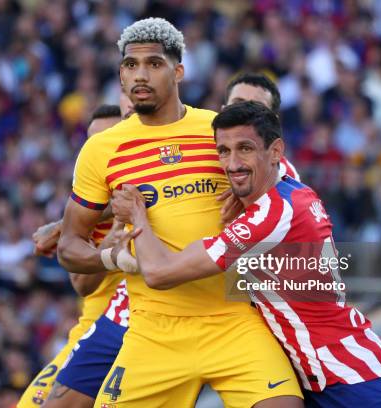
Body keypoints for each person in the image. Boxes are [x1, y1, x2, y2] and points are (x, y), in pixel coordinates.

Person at [57, 18, 302, 408]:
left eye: (154, 64)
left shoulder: (216, 131)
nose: (140, 75)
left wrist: (248, 195)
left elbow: (286, 189)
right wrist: (111, 256)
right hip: (153, 328)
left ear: (179, 71)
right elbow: (69, 245)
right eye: (130, 65)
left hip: (233, 318)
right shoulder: (102, 150)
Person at [110, 101, 381, 408]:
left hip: (348, 377)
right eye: (223, 151)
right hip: (322, 374)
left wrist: (137, 215)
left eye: (245, 149)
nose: (232, 163)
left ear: (275, 151)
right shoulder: (292, 190)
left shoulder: (271, 216)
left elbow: (160, 273)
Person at [17, 104, 129, 408]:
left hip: (145, 324)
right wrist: (106, 244)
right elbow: (82, 285)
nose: (100, 150)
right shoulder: (81, 208)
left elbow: (143, 192)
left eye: (109, 140)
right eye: (92, 142)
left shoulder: (151, 194)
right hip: (95, 324)